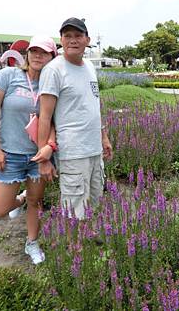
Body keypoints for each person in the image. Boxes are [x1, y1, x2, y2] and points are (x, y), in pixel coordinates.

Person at [0, 35, 58, 264]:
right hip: (11, 155)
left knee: (37, 202)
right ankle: (21, 198)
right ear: (27, 54)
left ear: (52, 57)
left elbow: (56, 120)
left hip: (39, 155)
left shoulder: (52, 84)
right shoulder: (8, 75)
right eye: (33, 50)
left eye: (44, 52)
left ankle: (32, 243)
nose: (37, 55)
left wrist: (49, 148)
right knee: (1, 208)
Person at [37, 17, 113, 220]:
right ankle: (73, 249)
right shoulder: (54, 70)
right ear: (61, 40)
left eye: (78, 35)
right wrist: (43, 158)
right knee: (74, 211)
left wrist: (103, 136)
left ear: (87, 40)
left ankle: (88, 245)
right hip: (72, 152)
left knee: (95, 201)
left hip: (94, 149)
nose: (73, 40)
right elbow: (44, 117)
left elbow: (93, 105)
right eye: (67, 36)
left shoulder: (89, 66)